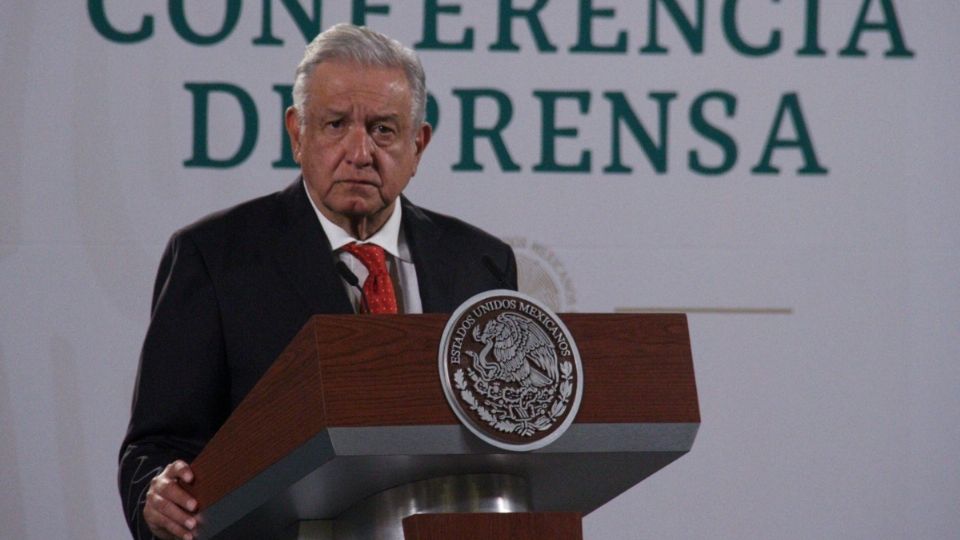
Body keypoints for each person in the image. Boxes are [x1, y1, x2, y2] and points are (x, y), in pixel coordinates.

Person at [118, 23, 516, 540]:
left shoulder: (480, 263)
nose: (359, 151)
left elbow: (509, 430)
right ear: (296, 134)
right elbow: (156, 445)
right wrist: (157, 492)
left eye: (383, 129)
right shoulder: (215, 258)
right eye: (334, 125)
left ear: (419, 145)